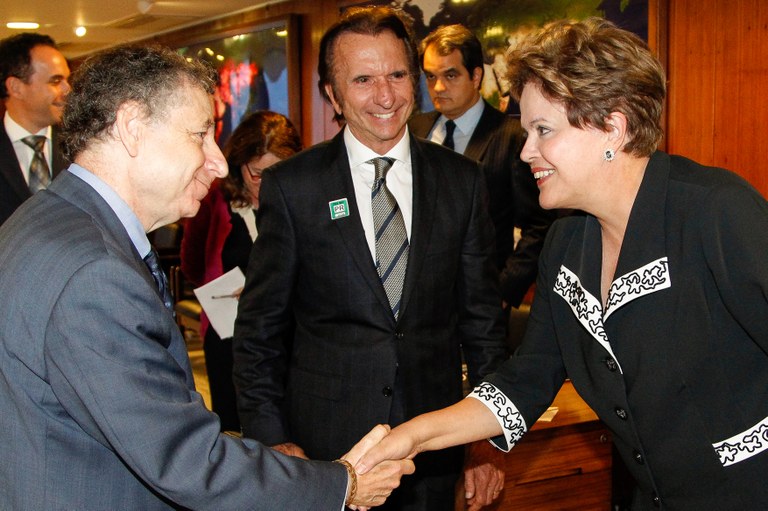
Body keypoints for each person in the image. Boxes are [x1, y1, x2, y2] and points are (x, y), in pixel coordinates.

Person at [353, 17, 768, 510]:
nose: (527, 150)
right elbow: (527, 380)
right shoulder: (566, 244)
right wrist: (412, 437)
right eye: (527, 130)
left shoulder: (715, 211)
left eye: (543, 130)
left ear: (613, 126)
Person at [0, 43, 413, 510]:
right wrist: (341, 484)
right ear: (132, 127)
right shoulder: (94, 273)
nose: (218, 163)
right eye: (200, 135)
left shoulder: (46, 218)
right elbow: (186, 460)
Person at [233, 6, 508, 511]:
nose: (385, 96)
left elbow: (483, 324)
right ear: (333, 94)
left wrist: (487, 441)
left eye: (398, 75)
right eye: (362, 79)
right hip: (327, 457)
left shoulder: (461, 182)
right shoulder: (294, 188)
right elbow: (258, 334)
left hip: (435, 450)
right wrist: (273, 440)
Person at [409, 24, 554, 312]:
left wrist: (503, 289)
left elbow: (540, 226)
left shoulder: (512, 137)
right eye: (430, 77)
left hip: (480, 302)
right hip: (418, 302)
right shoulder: (413, 130)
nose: (438, 87)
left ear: (476, 76)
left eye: (451, 75)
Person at [181, 110, 301, 432]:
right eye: (257, 173)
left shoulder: (302, 199)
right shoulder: (214, 201)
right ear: (239, 165)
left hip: (291, 335)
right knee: (235, 427)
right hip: (229, 335)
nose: (267, 183)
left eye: (278, 171)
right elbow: (192, 262)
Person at [0, 32, 70, 226]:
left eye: (66, 79)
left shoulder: (81, 147)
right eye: (55, 81)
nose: (67, 89)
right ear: (16, 87)